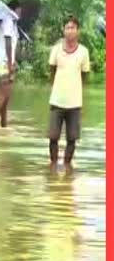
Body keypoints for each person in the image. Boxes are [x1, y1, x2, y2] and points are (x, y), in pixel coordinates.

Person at [47, 16, 91, 171]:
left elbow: (85, 75)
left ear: (78, 31)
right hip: (57, 100)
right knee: (53, 137)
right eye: (67, 27)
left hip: (75, 103)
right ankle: (53, 166)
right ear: (63, 30)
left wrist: (77, 92)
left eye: (73, 27)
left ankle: (67, 166)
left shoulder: (84, 52)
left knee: (72, 138)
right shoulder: (56, 49)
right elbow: (52, 71)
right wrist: (56, 89)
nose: (70, 30)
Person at [0, 2, 23, 128]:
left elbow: (12, 46)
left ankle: (3, 126)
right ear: (14, 8)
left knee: (6, 97)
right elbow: (8, 43)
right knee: (4, 95)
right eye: (20, 8)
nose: (21, 11)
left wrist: (14, 61)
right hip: (3, 63)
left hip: (5, 62)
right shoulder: (8, 20)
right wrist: (10, 65)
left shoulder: (13, 23)